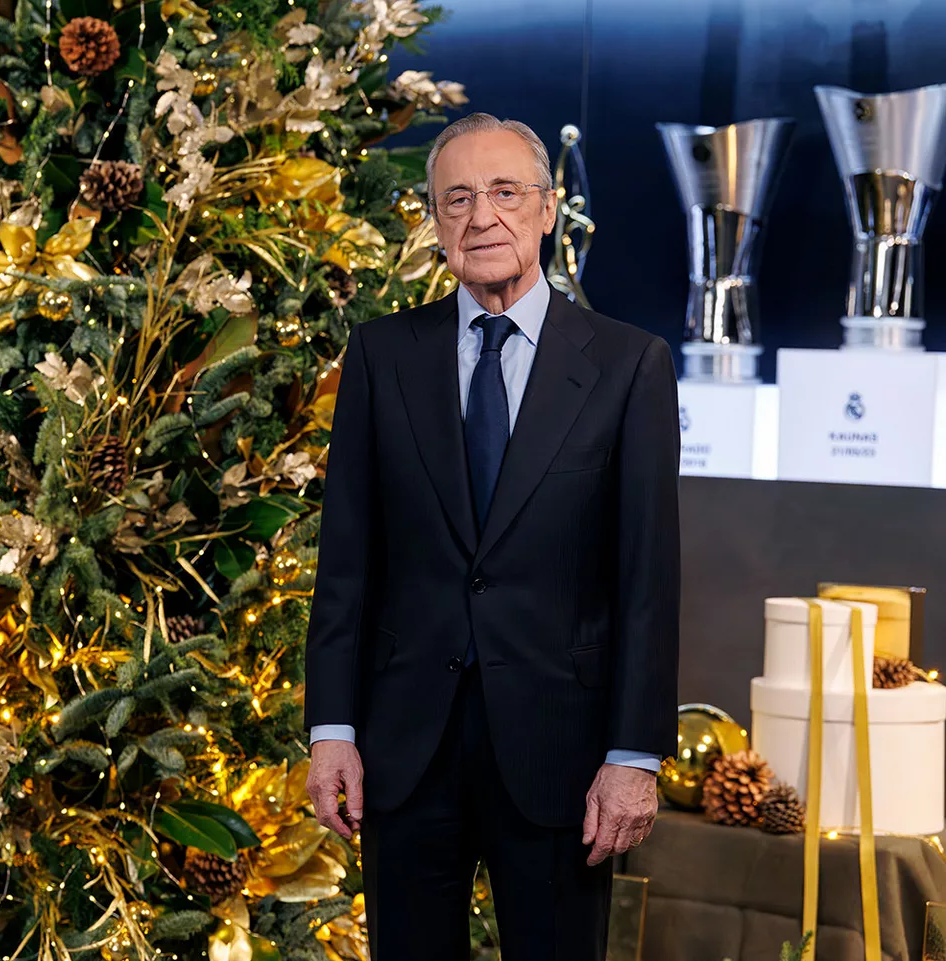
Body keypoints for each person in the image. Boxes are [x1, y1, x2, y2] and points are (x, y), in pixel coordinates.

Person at [303, 112, 680, 960]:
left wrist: (633, 754)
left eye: (506, 193)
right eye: (458, 198)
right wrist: (331, 730)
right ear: (435, 222)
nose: (484, 217)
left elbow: (648, 577)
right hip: (404, 752)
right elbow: (347, 562)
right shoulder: (382, 355)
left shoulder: (629, 365)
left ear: (548, 210)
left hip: (565, 757)